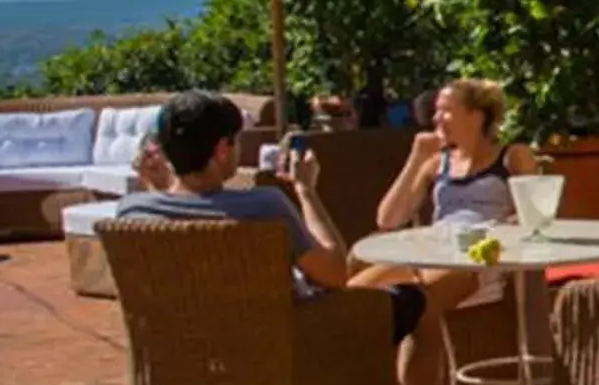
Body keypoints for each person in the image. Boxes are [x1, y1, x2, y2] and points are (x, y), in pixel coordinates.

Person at [117, 91, 428, 351]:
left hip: (185, 353)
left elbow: (181, 203)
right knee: (415, 299)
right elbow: (333, 273)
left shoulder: (131, 215)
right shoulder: (264, 205)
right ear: (223, 150)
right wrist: (306, 191)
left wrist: (158, 186)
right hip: (284, 346)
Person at [349, 76, 542, 385]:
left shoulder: (512, 157)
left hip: (480, 259)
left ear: (476, 115)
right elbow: (388, 219)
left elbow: (534, 221)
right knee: (356, 300)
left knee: (415, 304)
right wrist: (413, 159)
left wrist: (494, 235)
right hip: (430, 252)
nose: (435, 117)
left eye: (445, 109)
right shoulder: (435, 162)